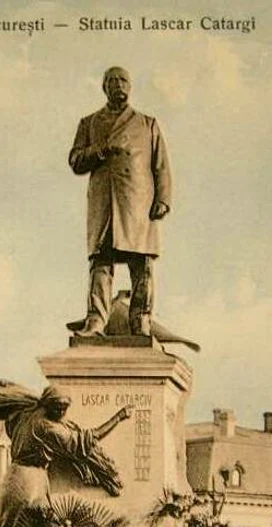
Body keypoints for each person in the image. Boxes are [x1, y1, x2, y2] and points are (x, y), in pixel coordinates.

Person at [69, 66, 172, 337]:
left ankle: (141, 321)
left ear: (130, 86)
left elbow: (161, 165)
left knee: (142, 266)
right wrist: (100, 150)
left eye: (123, 80)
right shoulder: (89, 123)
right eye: (112, 80)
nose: (118, 85)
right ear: (104, 86)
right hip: (105, 202)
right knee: (101, 263)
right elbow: (76, 161)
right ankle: (96, 321)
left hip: (138, 203)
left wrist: (163, 198)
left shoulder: (148, 124)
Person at [0, 386, 132, 527]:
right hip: (28, 478)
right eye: (58, 408)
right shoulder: (46, 426)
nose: (62, 413)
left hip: (22, 474)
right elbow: (84, 441)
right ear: (47, 405)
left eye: (65, 409)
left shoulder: (26, 413)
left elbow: (10, 425)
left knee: (41, 525)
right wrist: (118, 417)